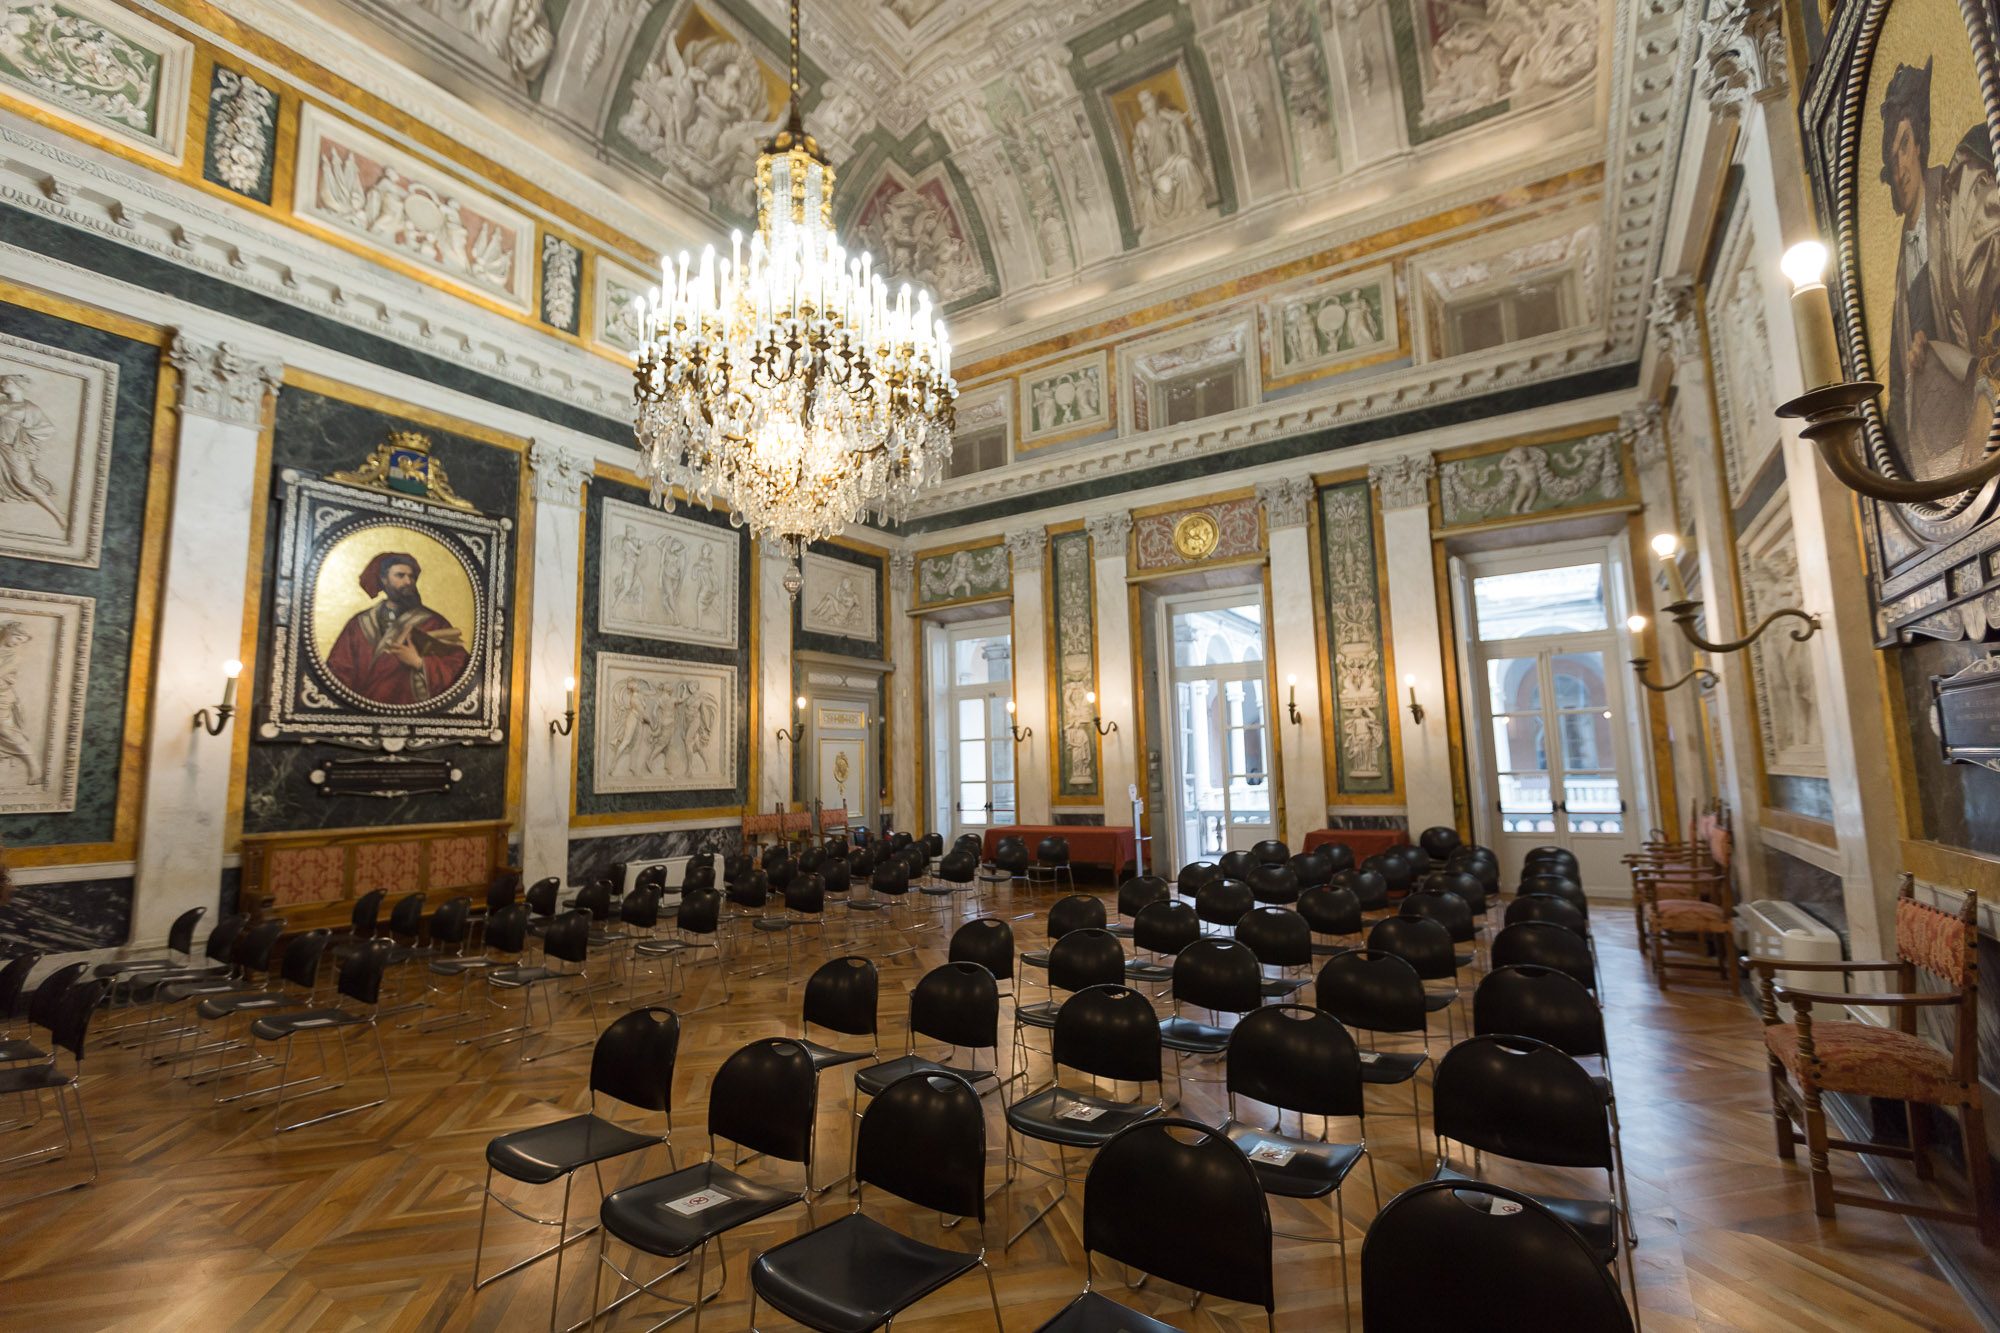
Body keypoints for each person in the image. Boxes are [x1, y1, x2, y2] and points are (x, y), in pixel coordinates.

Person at [1879, 59, 2000, 480]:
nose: (1899, 167)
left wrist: (1988, 394)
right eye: (1892, 156)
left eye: (1905, 145)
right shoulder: (1902, 266)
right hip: (1944, 462)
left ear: (1920, 145)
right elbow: (1899, 392)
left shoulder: (1964, 194)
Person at [323, 552, 469, 705]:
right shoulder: (359, 623)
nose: (408, 581)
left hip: (412, 708)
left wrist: (419, 663)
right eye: (400, 576)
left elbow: (460, 667)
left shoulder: (434, 622)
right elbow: (338, 670)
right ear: (384, 579)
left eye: (411, 577)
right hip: (364, 708)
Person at [0, 373, 60, 523]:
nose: (2, 385)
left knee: (25, 482)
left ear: (17, 385)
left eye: (5, 382)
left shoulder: (29, 408)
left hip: (13, 449)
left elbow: (47, 429)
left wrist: (22, 434)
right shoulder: (2, 402)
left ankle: (58, 515)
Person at [0, 621, 39, 787]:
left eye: (21, 641)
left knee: (5, 729)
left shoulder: (14, 657)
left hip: (1, 696)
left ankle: (34, 766)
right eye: (17, 638)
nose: (18, 643)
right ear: (8, 632)